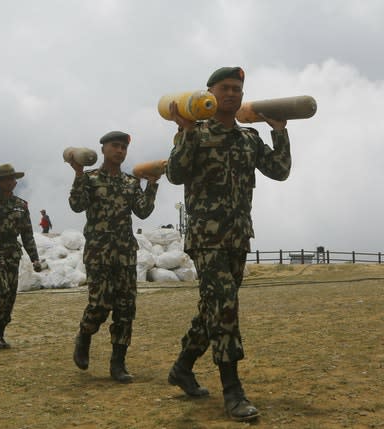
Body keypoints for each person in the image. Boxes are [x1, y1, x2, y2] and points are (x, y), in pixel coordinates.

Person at [164, 66, 291, 421]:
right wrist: (186, 131)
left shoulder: (249, 138)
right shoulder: (196, 131)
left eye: (237, 89)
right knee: (225, 307)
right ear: (210, 93)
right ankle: (233, 391)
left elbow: (279, 170)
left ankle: (183, 366)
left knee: (214, 308)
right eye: (225, 88)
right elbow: (176, 174)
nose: (232, 94)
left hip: (238, 236)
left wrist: (279, 132)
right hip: (207, 237)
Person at [69, 131, 159, 383]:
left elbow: (143, 211)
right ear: (104, 149)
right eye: (115, 146)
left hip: (125, 254)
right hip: (99, 252)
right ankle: (84, 335)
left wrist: (151, 184)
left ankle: (118, 364)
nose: (119, 151)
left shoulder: (130, 183)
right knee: (100, 304)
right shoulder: (90, 178)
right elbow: (76, 205)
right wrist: (77, 174)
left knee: (125, 309)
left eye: (123, 147)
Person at [0, 163, 42, 349]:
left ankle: (1, 330)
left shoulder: (21, 205)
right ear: (0, 182)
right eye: (7, 179)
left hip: (12, 252)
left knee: (10, 295)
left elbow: (27, 234)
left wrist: (34, 258)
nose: (11, 182)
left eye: (13, 179)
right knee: (1, 290)